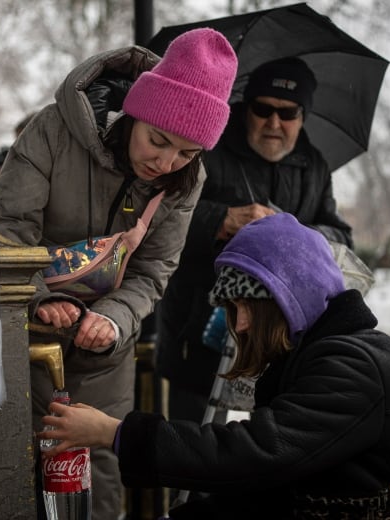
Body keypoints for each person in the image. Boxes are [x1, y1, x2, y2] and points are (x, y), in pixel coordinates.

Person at [38, 212, 390, 519]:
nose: (243, 324)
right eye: (234, 309)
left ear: (294, 295)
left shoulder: (352, 365)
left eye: (251, 306)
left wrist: (118, 433)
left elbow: (253, 456)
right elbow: (266, 484)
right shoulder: (315, 355)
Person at [0, 28, 237, 519]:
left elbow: (153, 270)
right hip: (22, 330)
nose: (165, 162)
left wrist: (115, 318)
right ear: (135, 113)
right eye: (158, 140)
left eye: (187, 153)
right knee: (18, 461)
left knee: (98, 465)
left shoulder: (185, 180)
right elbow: (6, 233)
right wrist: (40, 298)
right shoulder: (52, 132)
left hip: (105, 351)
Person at [156, 56, 354, 424]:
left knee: (268, 450)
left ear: (303, 117)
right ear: (246, 108)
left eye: (288, 113)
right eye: (263, 109)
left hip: (281, 342)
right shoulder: (204, 147)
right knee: (190, 448)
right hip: (199, 332)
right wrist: (222, 219)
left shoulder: (315, 165)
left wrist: (298, 235)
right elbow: (161, 215)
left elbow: (342, 235)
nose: (274, 122)